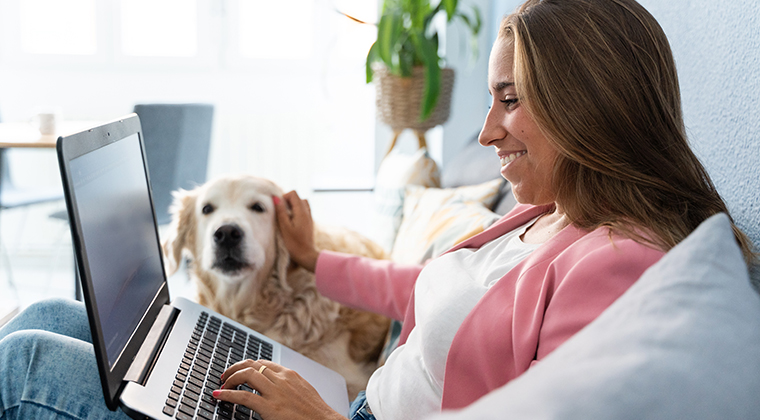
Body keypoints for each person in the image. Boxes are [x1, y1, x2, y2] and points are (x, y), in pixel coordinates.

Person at [0, 0, 755, 419]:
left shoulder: (615, 267)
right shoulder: (553, 211)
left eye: (509, 99)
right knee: (54, 314)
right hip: (351, 401)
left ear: (591, 108)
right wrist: (310, 257)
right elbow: (418, 291)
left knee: (24, 359)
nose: (486, 131)